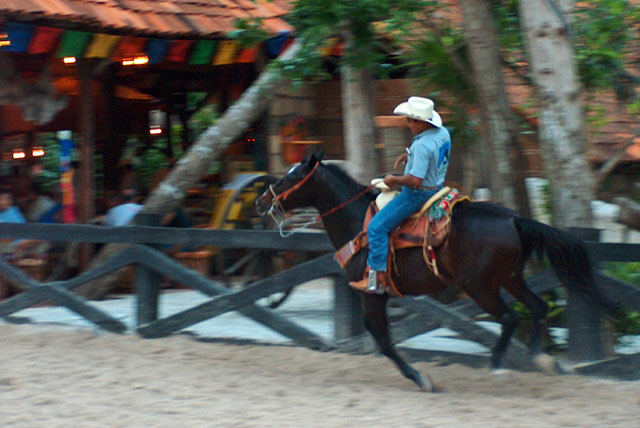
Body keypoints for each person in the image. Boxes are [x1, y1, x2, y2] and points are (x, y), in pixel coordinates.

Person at [349, 96, 451, 294]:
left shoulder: (421, 146)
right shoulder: (442, 134)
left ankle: (375, 277)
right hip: (438, 188)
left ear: (421, 122)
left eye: (410, 120)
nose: (407, 123)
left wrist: (393, 180)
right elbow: (433, 155)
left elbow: (415, 180)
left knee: (377, 228)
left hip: (417, 195)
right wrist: (410, 156)